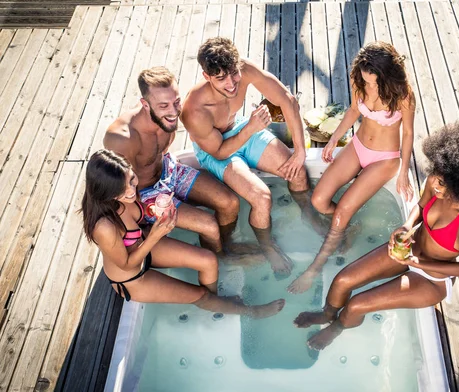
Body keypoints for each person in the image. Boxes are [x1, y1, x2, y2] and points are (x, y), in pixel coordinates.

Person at [293, 123, 459, 350]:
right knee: (342, 281)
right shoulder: (437, 180)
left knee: (356, 304)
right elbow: (421, 206)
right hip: (408, 251)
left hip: (431, 279)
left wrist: (417, 263)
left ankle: (337, 329)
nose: (434, 184)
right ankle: (327, 314)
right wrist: (406, 225)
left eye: (442, 184)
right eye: (436, 177)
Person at [81, 149, 284, 317]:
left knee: (208, 259)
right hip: (133, 277)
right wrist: (154, 236)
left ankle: (214, 301)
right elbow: (127, 264)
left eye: (132, 180)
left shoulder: (126, 196)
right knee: (199, 294)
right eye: (121, 189)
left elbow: (143, 213)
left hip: (143, 245)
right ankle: (248, 311)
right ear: (105, 192)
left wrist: (160, 211)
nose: (132, 191)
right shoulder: (104, 227)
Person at [181, 37, 321, 279]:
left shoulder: (244, 69)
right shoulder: (194, 110)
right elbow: (220, 152)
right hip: (217, 150)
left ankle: (308, 214)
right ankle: (268, 246)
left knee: (297, 171)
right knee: (261, 197)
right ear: (207, 77)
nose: (231, 83)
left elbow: (286, 100)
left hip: (243, 129)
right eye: (221, 78)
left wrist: (299, 150)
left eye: (233, 74)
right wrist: (252, 128)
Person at [288, 41, 416, 294]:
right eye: (365, 81)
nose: (368, 86)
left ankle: (314, 268)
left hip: (385, 158)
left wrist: (403, 172)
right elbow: (353, 111)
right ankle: (348, 227)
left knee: (340, 212)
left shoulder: (403, 94)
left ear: (387, 75)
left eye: (374, 82)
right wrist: (335, 138)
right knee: (318, 201)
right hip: (357, 147)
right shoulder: (359, 78)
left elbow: (409, 134)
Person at [104, 66, 244, 257]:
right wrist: (139, 223)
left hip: (169, 170)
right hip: (143, 194)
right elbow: (118, 190)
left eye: (176, 102)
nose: (173, 111)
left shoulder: (169, 115)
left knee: (230, 203)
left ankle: (224, 245)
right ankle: (219, 259)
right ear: (145, 104)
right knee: (209, 225)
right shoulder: (122, 138)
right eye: (163, 106)